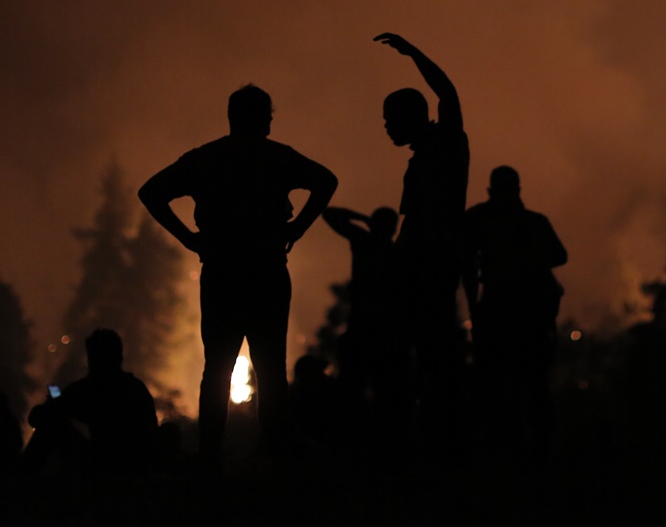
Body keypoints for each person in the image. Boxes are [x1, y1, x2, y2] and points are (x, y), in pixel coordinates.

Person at [139, 84, 337, 470]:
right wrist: (296, 230)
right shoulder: (277, 158)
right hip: (266, 270)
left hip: (222, 272)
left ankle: (211, 452)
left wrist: (190, 239)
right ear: (260, 118)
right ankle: (276, 451)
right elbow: (326, 181)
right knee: (270, 367)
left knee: (217, 366)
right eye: (267, 115)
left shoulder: (207, 159)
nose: (270, 121)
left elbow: (151, 192)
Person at [374, 32, 470, 450]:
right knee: (419, 361)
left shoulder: (446, 142)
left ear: (413, 116)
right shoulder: (426, 153)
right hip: (418, 268)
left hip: (431, 268)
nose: (386, 127)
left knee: (431, 360)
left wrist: (413, 54)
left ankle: (437, 443)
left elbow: (447, 91)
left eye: (391, 119)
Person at [462, 166, 567, 456]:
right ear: (518, 190)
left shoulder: (477, 219)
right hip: (530, 314)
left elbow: (467, 269)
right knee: (533, 384)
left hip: (499, 312)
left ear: (490, 190)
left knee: (496, 385)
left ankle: (504, 451)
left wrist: (475, 309)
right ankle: (536, 452)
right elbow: (558, 256)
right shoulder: (534, 222)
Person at [321, 206, 412, 435]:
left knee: (354, 391)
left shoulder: (364, 242)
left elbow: (330, 214)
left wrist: (363, 218)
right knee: (384, 394)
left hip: (364, 328)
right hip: (385, 332)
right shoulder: (396, 253)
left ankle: (356, 440)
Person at [24, 329, 158, 476]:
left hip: (102, 468)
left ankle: (20, 480)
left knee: (52, 424)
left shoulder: (90, 389)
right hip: (134, 471)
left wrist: (53, 408)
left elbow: (38, 417)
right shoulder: (137, 389)